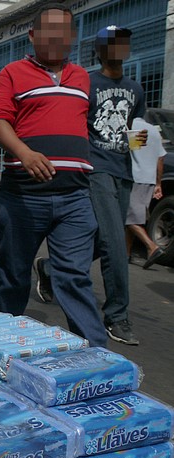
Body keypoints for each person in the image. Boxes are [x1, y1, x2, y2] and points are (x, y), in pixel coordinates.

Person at [0, 4, 108, 347]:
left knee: (74, 278)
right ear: (33, 35)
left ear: (72, 37)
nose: (57, 38)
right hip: (24, 197)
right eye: (49, 31)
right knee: (12, 279)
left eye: (64, 31)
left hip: (75, 198)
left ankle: (99, 356)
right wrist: (23, 152)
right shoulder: (13, 72)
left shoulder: (83, 78)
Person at [35, 25, 147, 346]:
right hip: (95, 170)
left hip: (122, 172)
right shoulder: (87, 83)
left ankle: (52, 270)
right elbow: (73, 126)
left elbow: (136, 132)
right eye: (111, 44)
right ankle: (116, 315)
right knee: (114, 243)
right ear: (99, 50)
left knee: (102, 238)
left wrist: (143, 175)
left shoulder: (136, 89)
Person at [126, 115, 165, 269]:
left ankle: (151, 246)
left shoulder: (132, 127)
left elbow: (132, 153)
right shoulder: (154, 131)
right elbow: (161, 158)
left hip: (135, 177)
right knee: (133, 217)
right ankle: (126, 254)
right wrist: (158, 183)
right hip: (148, 180)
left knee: (128, 218)